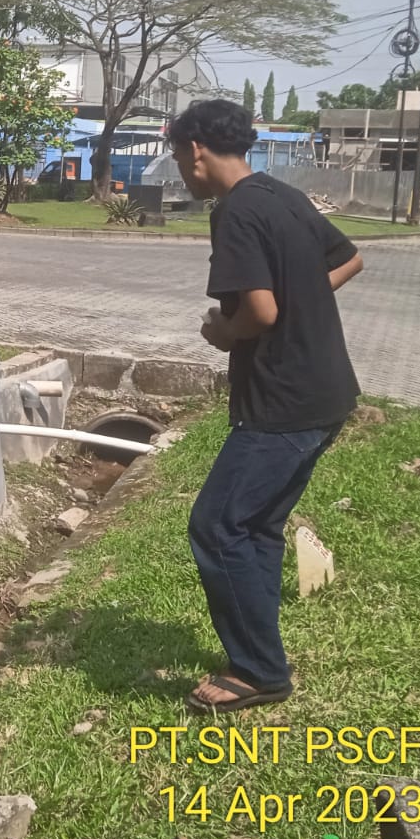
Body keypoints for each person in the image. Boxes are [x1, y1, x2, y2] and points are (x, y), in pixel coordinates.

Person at [168, 99, 364, 714]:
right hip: (325, 394)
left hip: (284, 401)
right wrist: (301, 294)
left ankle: (258, 671)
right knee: (256, 526)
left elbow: (259, 312)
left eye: (177, 156)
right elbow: (349, 259)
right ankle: (260, 653)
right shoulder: (282, 194)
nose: (180, 169)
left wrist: (221, 332)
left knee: (215, 525)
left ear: (195, 150)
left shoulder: (235, 211)